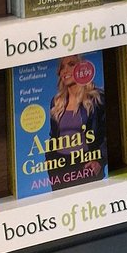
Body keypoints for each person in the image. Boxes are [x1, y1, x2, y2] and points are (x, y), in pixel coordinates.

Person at [47, 54, 107, 191]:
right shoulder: (56, 103)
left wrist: (100, 160)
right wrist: (50, 164)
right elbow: (53, 138)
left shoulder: (96, 98)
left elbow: (105, 132)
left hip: (86, 165)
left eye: (71, 64)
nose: (65, 70)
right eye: (62, 67)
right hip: (61, 168)